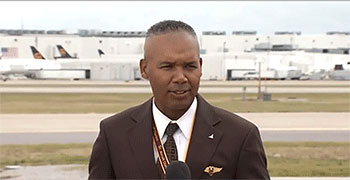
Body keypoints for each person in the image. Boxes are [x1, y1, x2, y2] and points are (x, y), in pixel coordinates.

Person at [88, 20, 270, 180]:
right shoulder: (113, 134)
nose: (181, 77)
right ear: (144, 69)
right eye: (167, 67)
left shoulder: (240, 136)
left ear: (200, 67)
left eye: (190, 66)